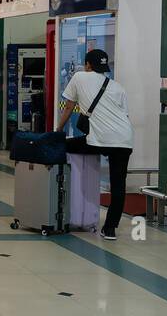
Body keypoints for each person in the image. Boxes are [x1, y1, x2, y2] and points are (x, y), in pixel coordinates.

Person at [57, 48, 134, 240]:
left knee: (63, 145)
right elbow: (124, 115)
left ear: (88, 65)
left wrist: (57, 131)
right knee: (118, 186)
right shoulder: (117, 86)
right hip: (124, 139)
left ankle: (59, 204)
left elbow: (68, 106)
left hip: (98, 140)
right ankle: (110, 229)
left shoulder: (79, 77)